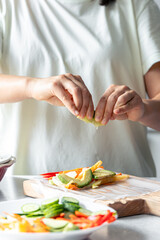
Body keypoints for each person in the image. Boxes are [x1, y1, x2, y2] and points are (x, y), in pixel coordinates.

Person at [0, 0, 160, 177]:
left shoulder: (136, 5)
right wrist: (32, 86)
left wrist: (143, 109)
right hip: (28, 185)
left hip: (126, 186)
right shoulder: (7, 5)